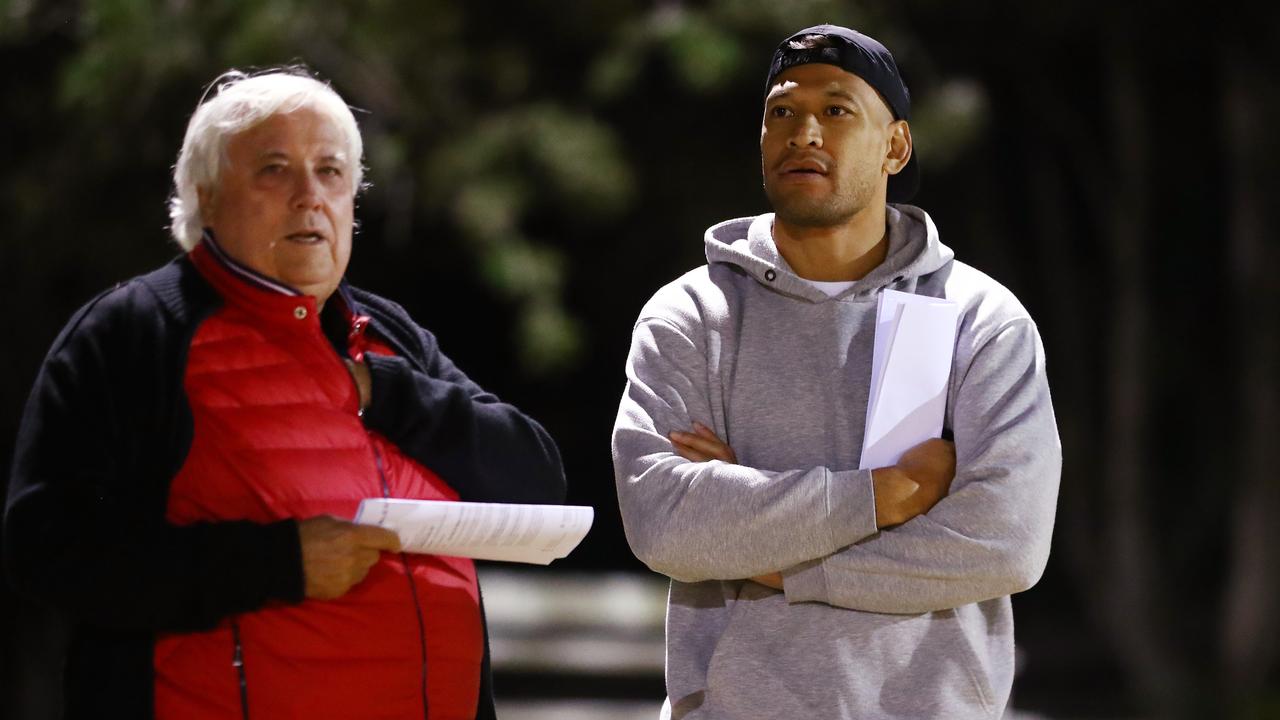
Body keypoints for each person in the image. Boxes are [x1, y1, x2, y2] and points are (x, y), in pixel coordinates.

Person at [4, 67, 566, 719]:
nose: (310, 196)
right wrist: (277, 564)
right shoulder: (136, 332)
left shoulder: (390, 339)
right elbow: (47, 548)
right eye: (274, 169)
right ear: (206, 197)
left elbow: (536, 480)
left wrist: (387, 393)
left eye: (331, 172)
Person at [612, 24, 1061, 719]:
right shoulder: (690, 316)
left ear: (896, 146)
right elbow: (666, 522)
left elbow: (1004, 543)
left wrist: (762, 547)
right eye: (781, 113)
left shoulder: (980, 318)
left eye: (837, 110)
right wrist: (886, 497)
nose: (804, 133)